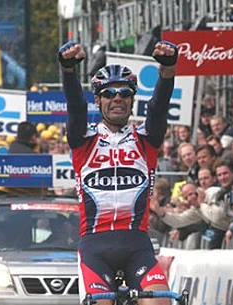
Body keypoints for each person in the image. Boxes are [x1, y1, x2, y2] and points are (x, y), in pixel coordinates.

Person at [59, 40, 178, 305]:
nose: (117, 99)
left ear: (132, 100)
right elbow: (75, 108)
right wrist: (68, 72)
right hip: (95, 248)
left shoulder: (146, 139)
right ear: (98, 99)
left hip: (137, 246)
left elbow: (159, 108)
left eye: (125, 93)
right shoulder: (83, 140)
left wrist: (167, 70)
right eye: (109, 93)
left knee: (161, 302)